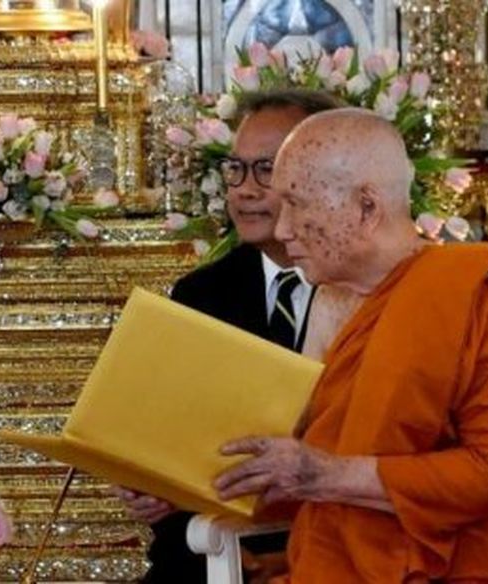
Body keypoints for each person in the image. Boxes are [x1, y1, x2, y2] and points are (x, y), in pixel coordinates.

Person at [213, 109, 488, 581]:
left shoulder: (475, 298)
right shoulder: (331, 301)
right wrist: (181, 484)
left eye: (297, 204)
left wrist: (327, 475)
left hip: (461, 567)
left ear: (367, 208)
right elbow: (305, 464)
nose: (283, 230)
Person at [116, 88, 342, 583]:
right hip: (208, 550)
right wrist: (149, 484)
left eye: (266, 169)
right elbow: (167, 438)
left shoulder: (361, 288)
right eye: (235, 170)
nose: (244, 189)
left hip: (334, 547)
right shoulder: (202, 293)